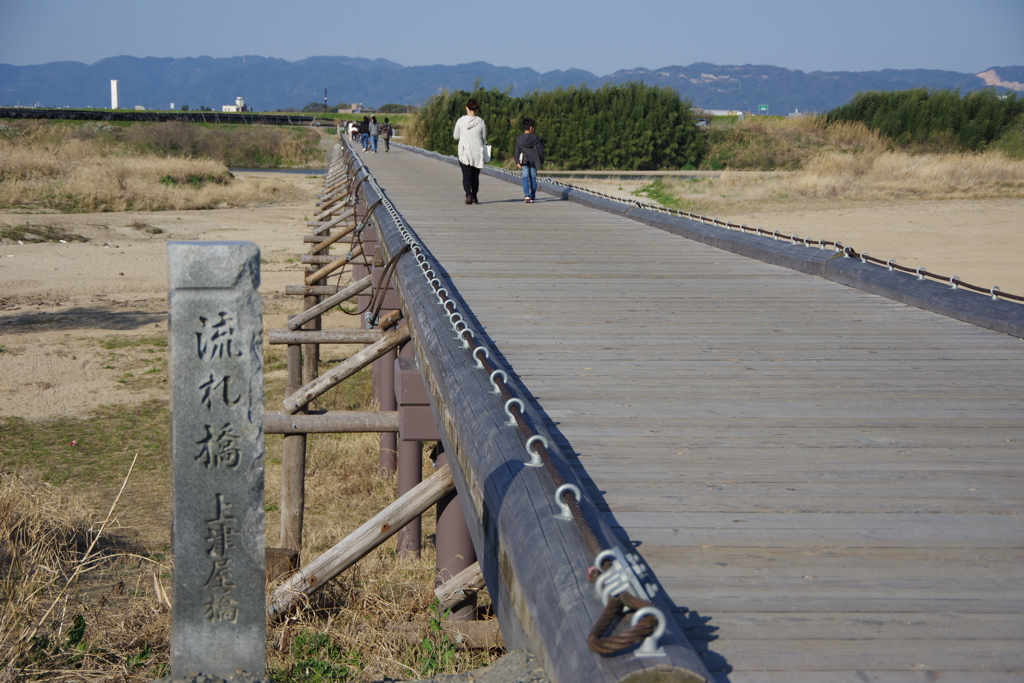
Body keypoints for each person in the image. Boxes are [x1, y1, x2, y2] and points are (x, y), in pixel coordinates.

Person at [452, 98, 488, 204]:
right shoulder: (481, 122)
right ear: (477, 109)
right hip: (477, 152)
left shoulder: (460, 121)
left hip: (464, 152)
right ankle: (475, 196)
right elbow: (484, 137)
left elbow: (455, 136)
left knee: (466, 175)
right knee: (475, 176)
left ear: (466, 107)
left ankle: (468, 194)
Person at [514, 117, 545, 203]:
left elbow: (517, 150)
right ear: (531, 127)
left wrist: (517, 161)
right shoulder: (537, 139)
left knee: (525, 178)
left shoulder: (519, 139)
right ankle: (533, 196)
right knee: (533, 179)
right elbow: (540, 151)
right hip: (534, 161)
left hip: (524, 161)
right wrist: (541, 161)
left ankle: (526, 195)